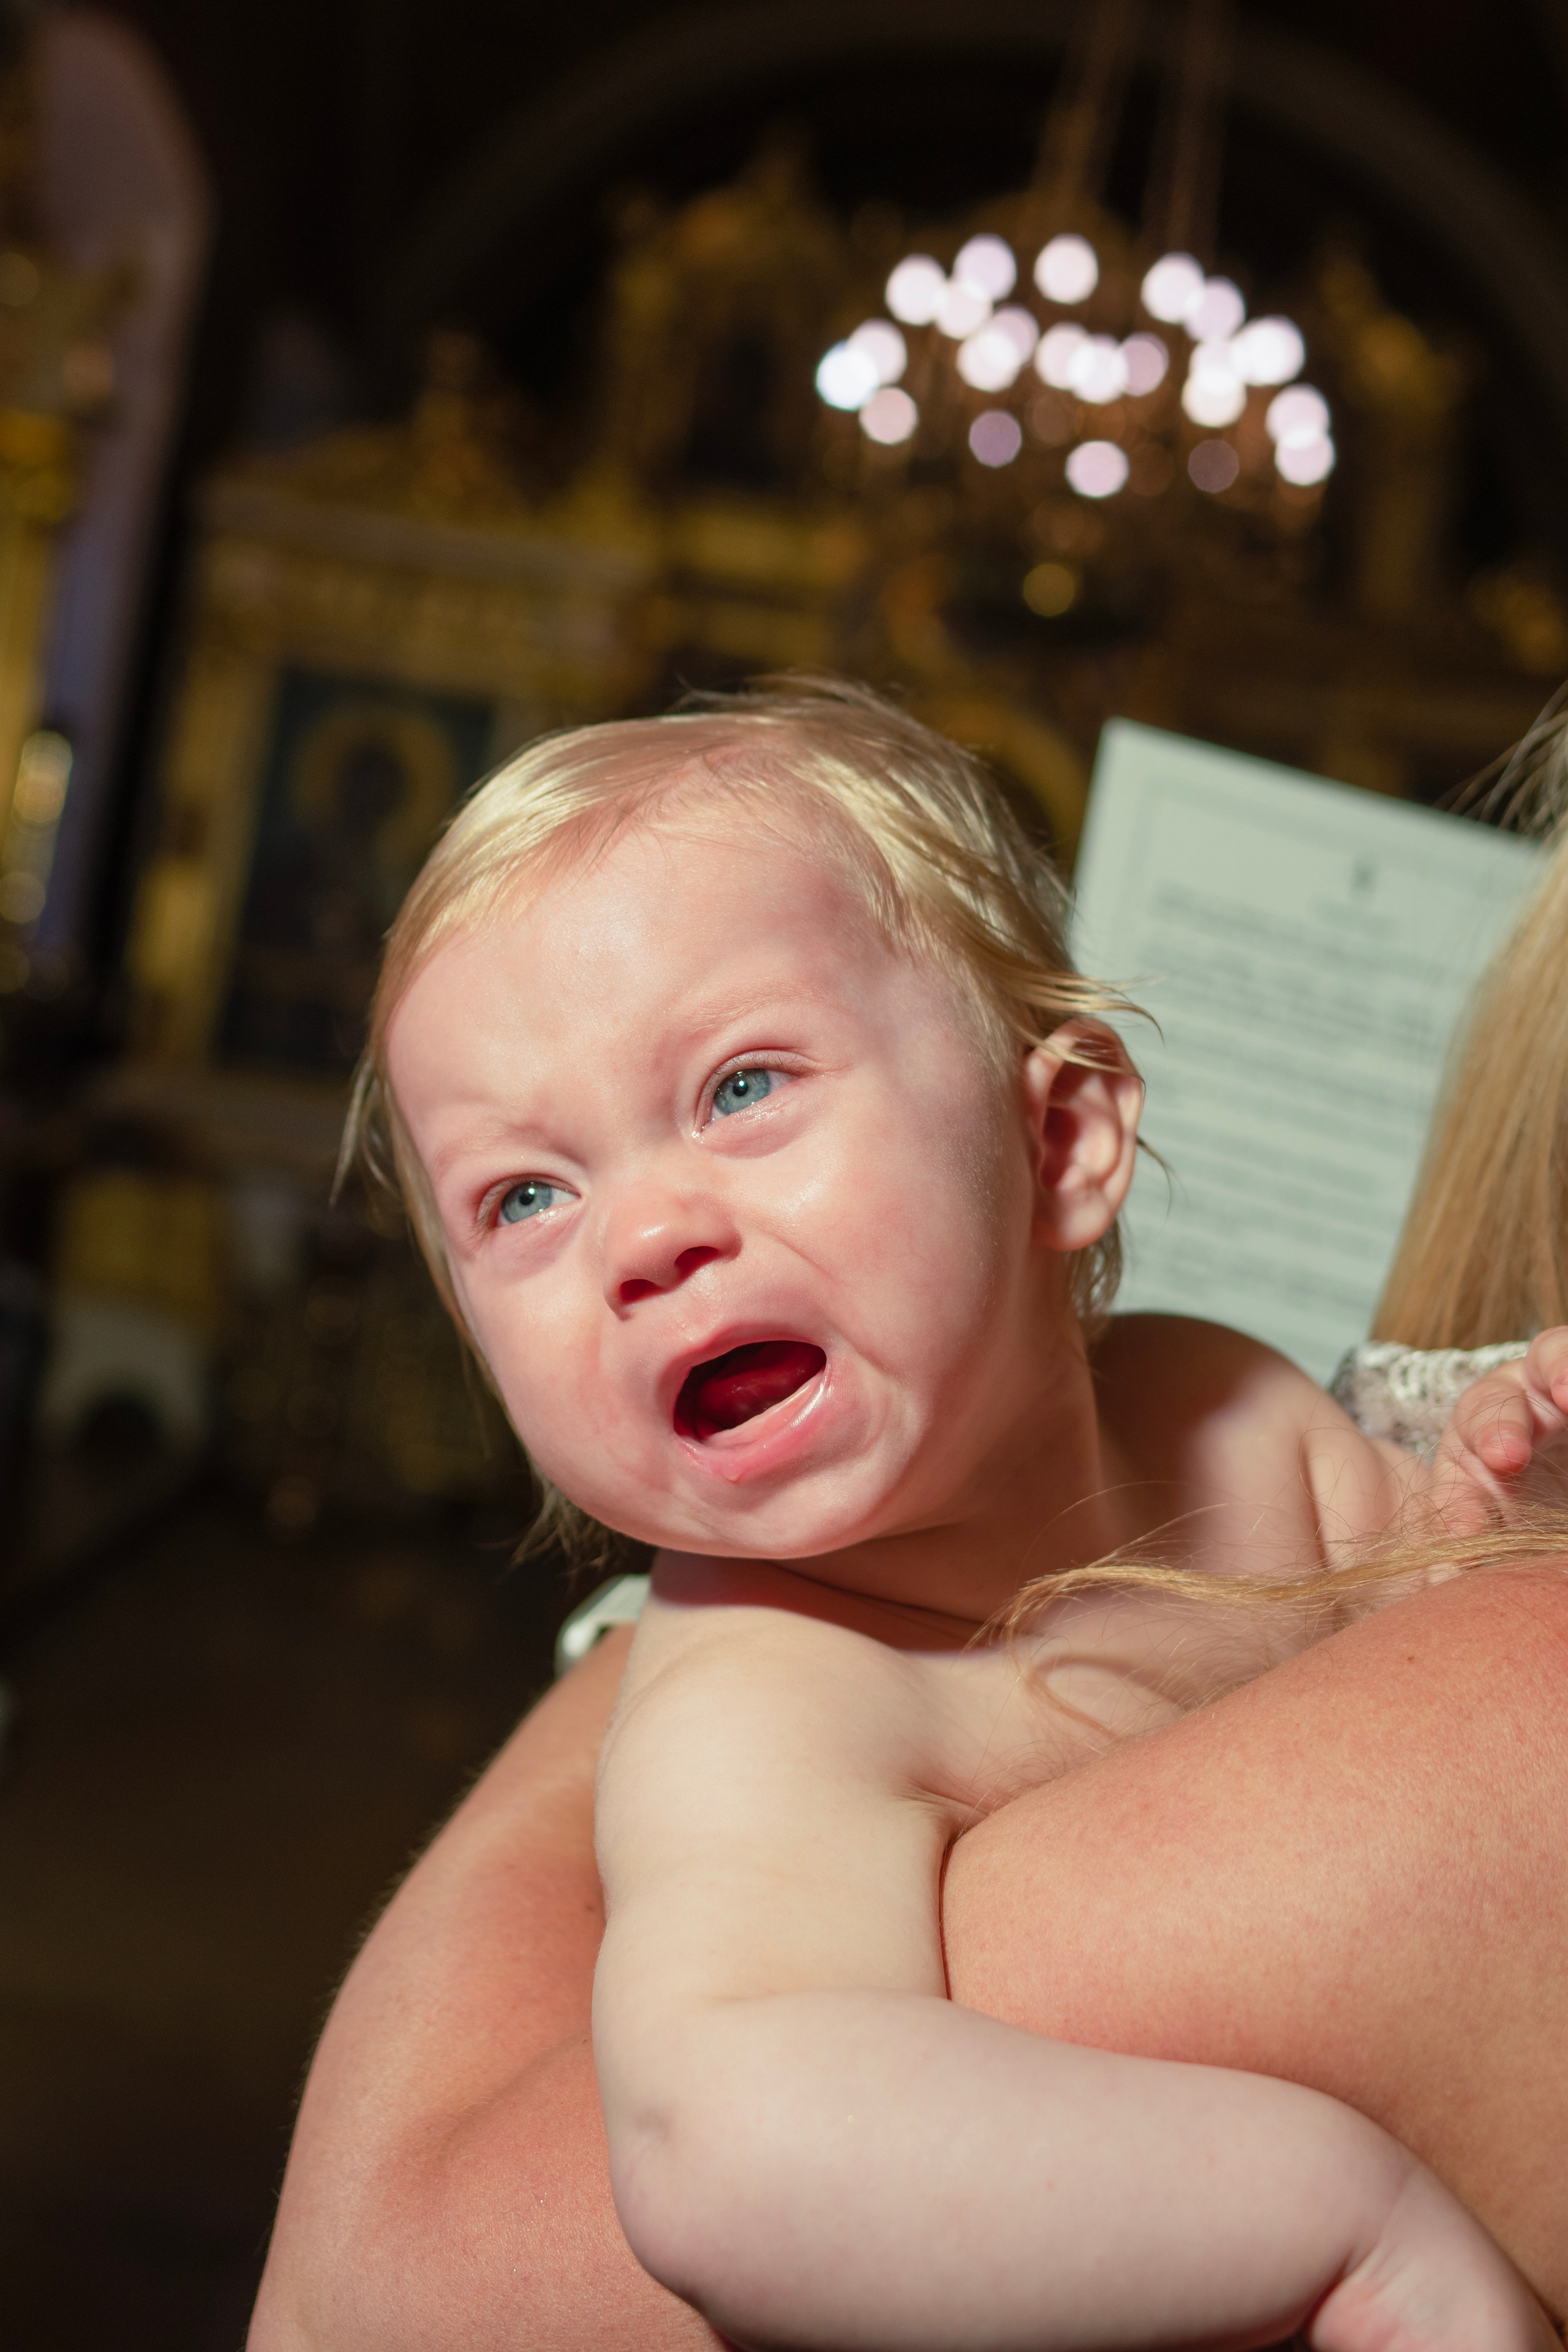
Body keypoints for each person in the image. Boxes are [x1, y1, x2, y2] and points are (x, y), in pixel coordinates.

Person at [249, 686, 1568, 2352]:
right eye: (524, 1196)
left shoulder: (1217, 1408)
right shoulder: (766, 1697)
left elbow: (1424, 1660)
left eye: (739, 1088)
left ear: (1062, 1133)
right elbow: (729, 2152)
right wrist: (1342, 2226)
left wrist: (1491, 1521)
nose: (644, 1234)